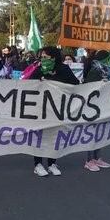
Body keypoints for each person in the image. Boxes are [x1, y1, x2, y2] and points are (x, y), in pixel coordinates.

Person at [29, 46, 80, 176]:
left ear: (54, 57)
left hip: (57, 110)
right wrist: (38, 82)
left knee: (54, 137)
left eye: (45, 57)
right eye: (41, 57)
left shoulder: (64, 69)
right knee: (39, 137)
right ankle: (38, 164)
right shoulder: (39, 70)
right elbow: (28, 85)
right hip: (40, 109)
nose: (43, 59)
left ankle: (52, 163)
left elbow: (75, 84)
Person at [83, 50, 110, 172]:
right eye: (108, 58)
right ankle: (89, 160)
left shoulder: (106, 70)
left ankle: (97, 158)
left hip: (102, 104)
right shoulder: (95, 70)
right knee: (92, 133)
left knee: (100, 133)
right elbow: (89, 87)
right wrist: (102, 84)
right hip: (93, 106)